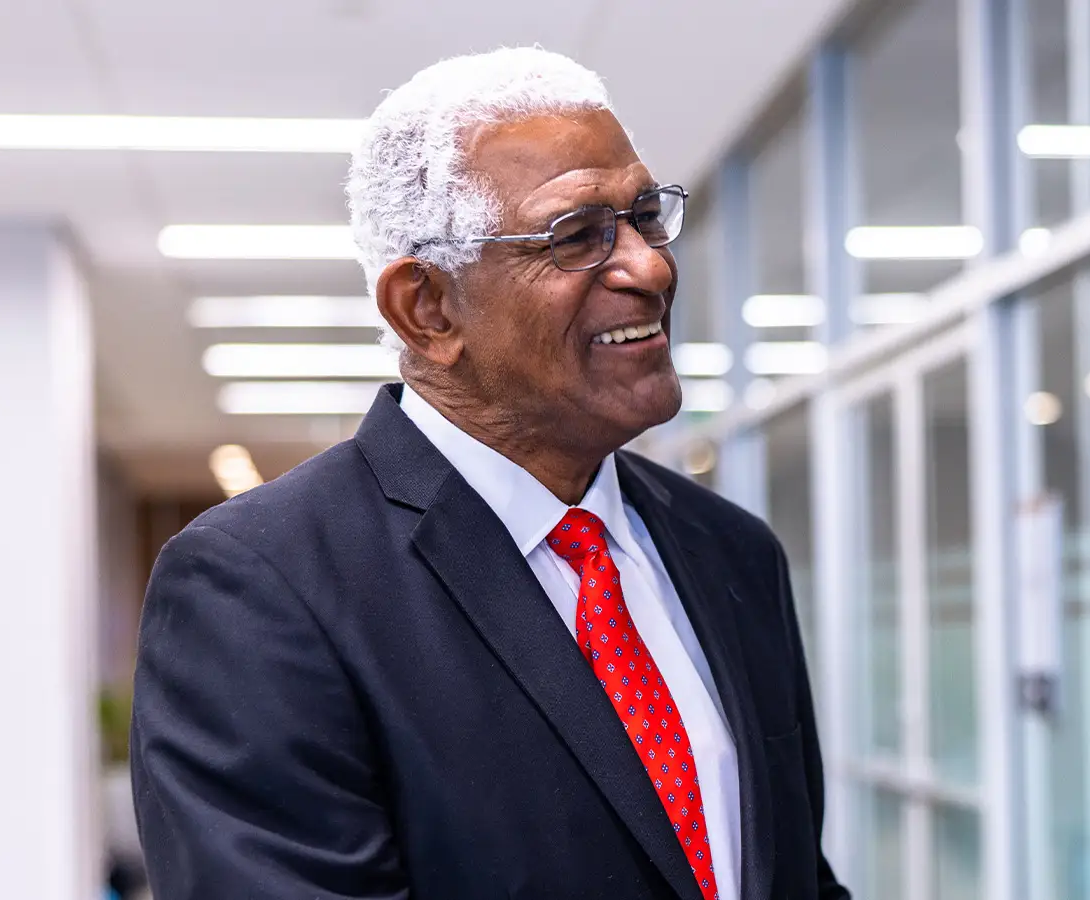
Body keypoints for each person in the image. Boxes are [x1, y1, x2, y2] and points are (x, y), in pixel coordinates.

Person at [131, 47, 849, 900]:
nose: (651, 267)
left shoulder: (731, 553)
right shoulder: (262, 585)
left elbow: (794, 876)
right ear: (427, 308)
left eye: (645, 215)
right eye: (577, 236)